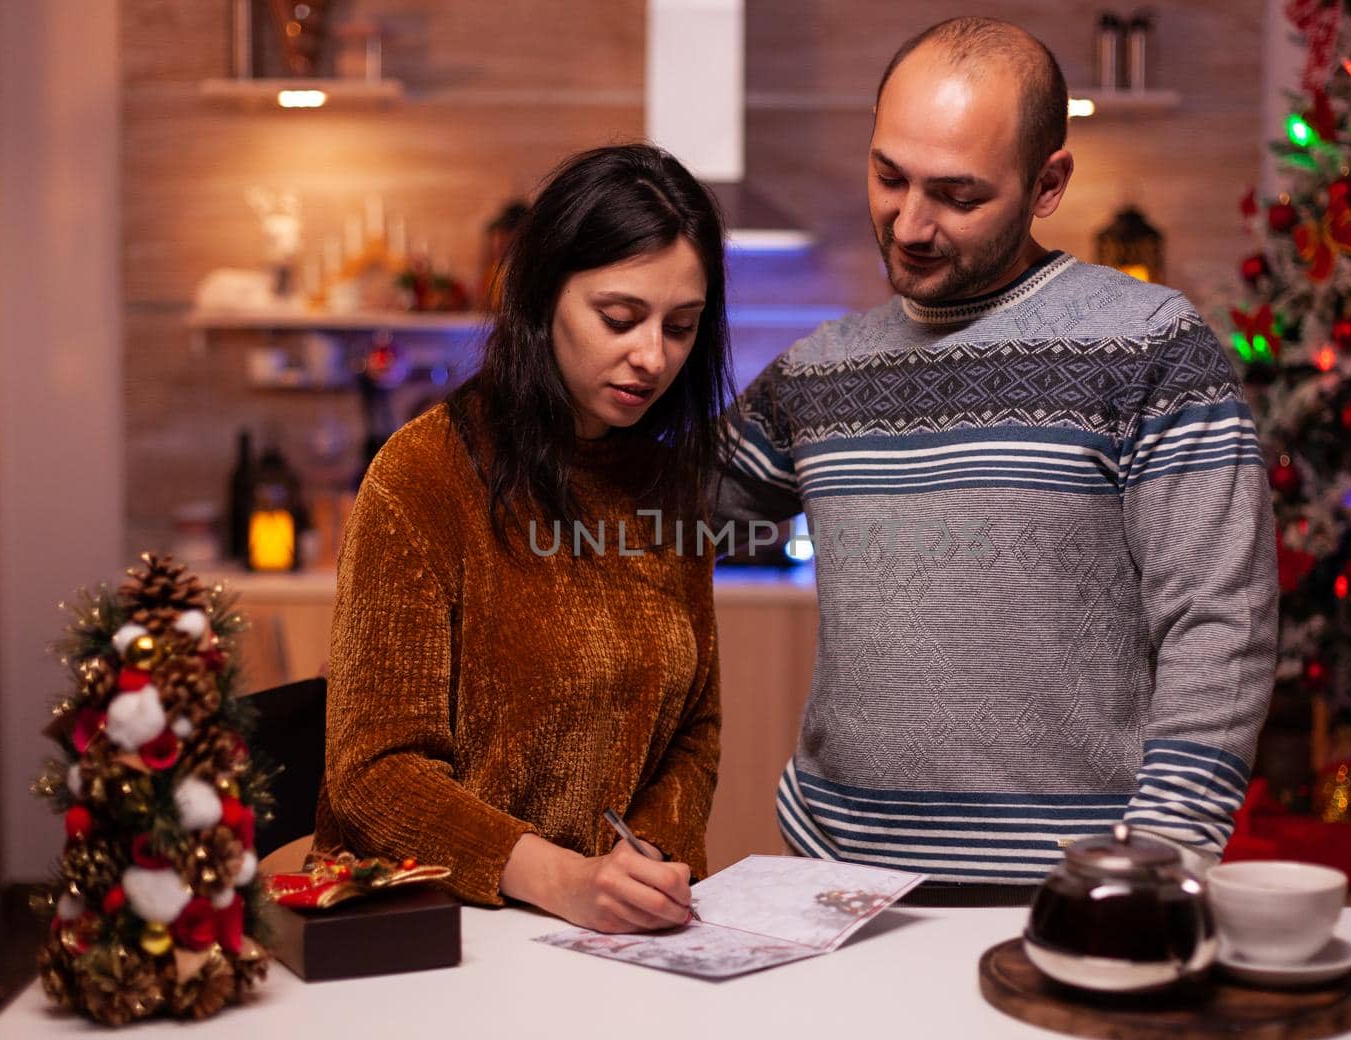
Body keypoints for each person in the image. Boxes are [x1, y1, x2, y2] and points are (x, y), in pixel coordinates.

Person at [716, 17, 1278, 884]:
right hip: (835, 881)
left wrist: (1155, 862)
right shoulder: (815, 372)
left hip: (1068, 888)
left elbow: (1220, 617)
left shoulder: (1151, 348)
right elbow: (659, 516)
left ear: (1047, 184)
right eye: (887, 176)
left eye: (957, 195)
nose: (909, 224)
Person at [315, 144, 732, 932]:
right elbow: (374, 775)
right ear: (541, 297)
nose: (652, 356)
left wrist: (644, 859)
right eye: (619, 317)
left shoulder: (667, 483)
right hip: (436, 935)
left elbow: (694, 728)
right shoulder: (425, 476)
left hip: (605, 938)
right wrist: (567, 880)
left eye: (680, 327)